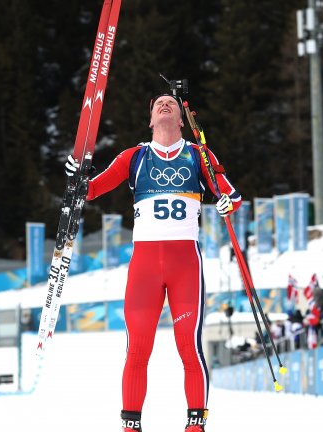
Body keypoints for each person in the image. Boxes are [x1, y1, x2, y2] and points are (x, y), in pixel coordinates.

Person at [66, 93, 241, 432]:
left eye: (170, 104)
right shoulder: (134, 157)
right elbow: (91, 189)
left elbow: (230, 195)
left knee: (189, 347)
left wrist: (226, 204)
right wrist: (75, 177)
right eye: (158, 104)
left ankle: (195, 424)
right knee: (137, 349)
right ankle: (131, 425)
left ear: (180, 120)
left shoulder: (198, 155)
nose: (164, 105)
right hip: (144, 267)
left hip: (185, 265)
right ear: (150, 121)